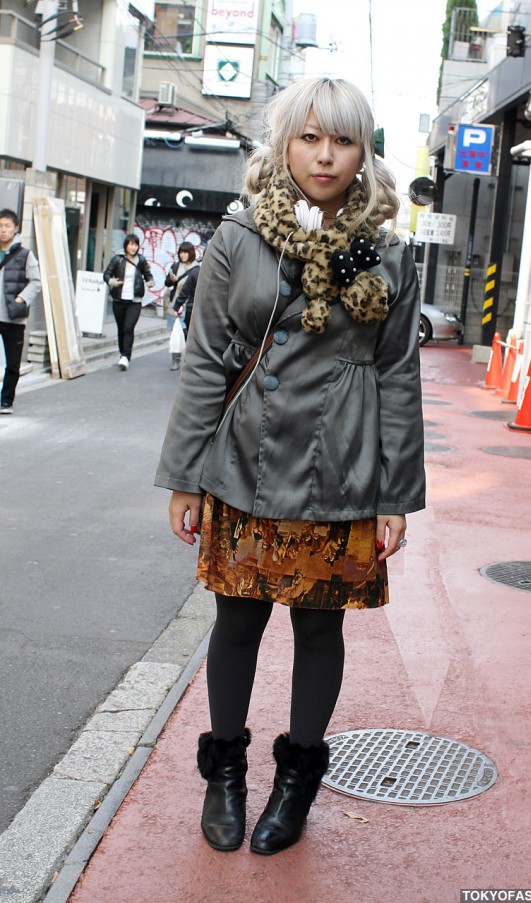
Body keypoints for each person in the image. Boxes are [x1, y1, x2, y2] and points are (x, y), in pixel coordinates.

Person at [155, 77, 425, 856]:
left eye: (341, 140)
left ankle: (296, 780)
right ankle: (226, 774)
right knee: (236, 617)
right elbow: (206, 360)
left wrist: (395, 495)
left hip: (342, 468)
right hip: (244, 459)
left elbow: (400, 374)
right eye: (309, 137)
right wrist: (184, 476)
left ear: (362, 150)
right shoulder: (240, 236)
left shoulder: (391, 251)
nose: (325, 155)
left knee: (318, 625)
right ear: (283, 144)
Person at [0, 209, 41, 415]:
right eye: (0, 226)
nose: (3, 230)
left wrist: (21, 299)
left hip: (13, 317)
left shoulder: (25, 255)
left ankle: (6, 401)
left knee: (13, 363)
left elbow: (36, 281)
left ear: (15, 228)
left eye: (7, 226)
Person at [103, 233, 154, 370]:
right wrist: (112, 281)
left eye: (136, 244)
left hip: (135, 301)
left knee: (128, 328)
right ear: (126, 245)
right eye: (131, 244)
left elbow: (147, 274)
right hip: (119, 300)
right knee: (121, 329)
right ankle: (122, 354)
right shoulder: (118, 259)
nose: (133, 247)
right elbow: (106, 274)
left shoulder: (141, 260)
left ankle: (126, 356)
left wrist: (150, 281)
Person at [163, 241, 199, 370]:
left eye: (185, 252)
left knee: (186, 332)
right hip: (175, 302)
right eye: (181, 252)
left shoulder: (197, 268)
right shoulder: (176, 266)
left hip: (189, 305)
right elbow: (167, 283)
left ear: (191, 253)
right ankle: (176, 360)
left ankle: (188, 359)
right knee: (175, 332)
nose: (183, 255)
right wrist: (170, 280)